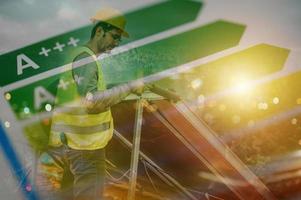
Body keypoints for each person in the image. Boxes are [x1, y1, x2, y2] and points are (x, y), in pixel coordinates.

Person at [38, 8, 142, 200]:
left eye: (119, 39)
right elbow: (92, 103)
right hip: (85, 149)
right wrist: (129, 87)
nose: (117, 43)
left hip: (73, 145)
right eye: (114, 36)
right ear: (99, 31)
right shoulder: (85, 59)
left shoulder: (79, 56)